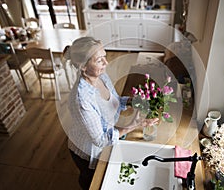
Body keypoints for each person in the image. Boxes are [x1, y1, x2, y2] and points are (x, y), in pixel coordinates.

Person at [63, 37, 159, 190]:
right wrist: (133, 125)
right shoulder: (82, 100)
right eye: (99, 60)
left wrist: (133, 101)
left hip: (106, 134)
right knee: (91, 181)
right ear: (83, 66)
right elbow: (100, 141)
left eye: (105, 57)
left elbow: (115, 101)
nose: (106, 63)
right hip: (87, 148)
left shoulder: (101, 76)